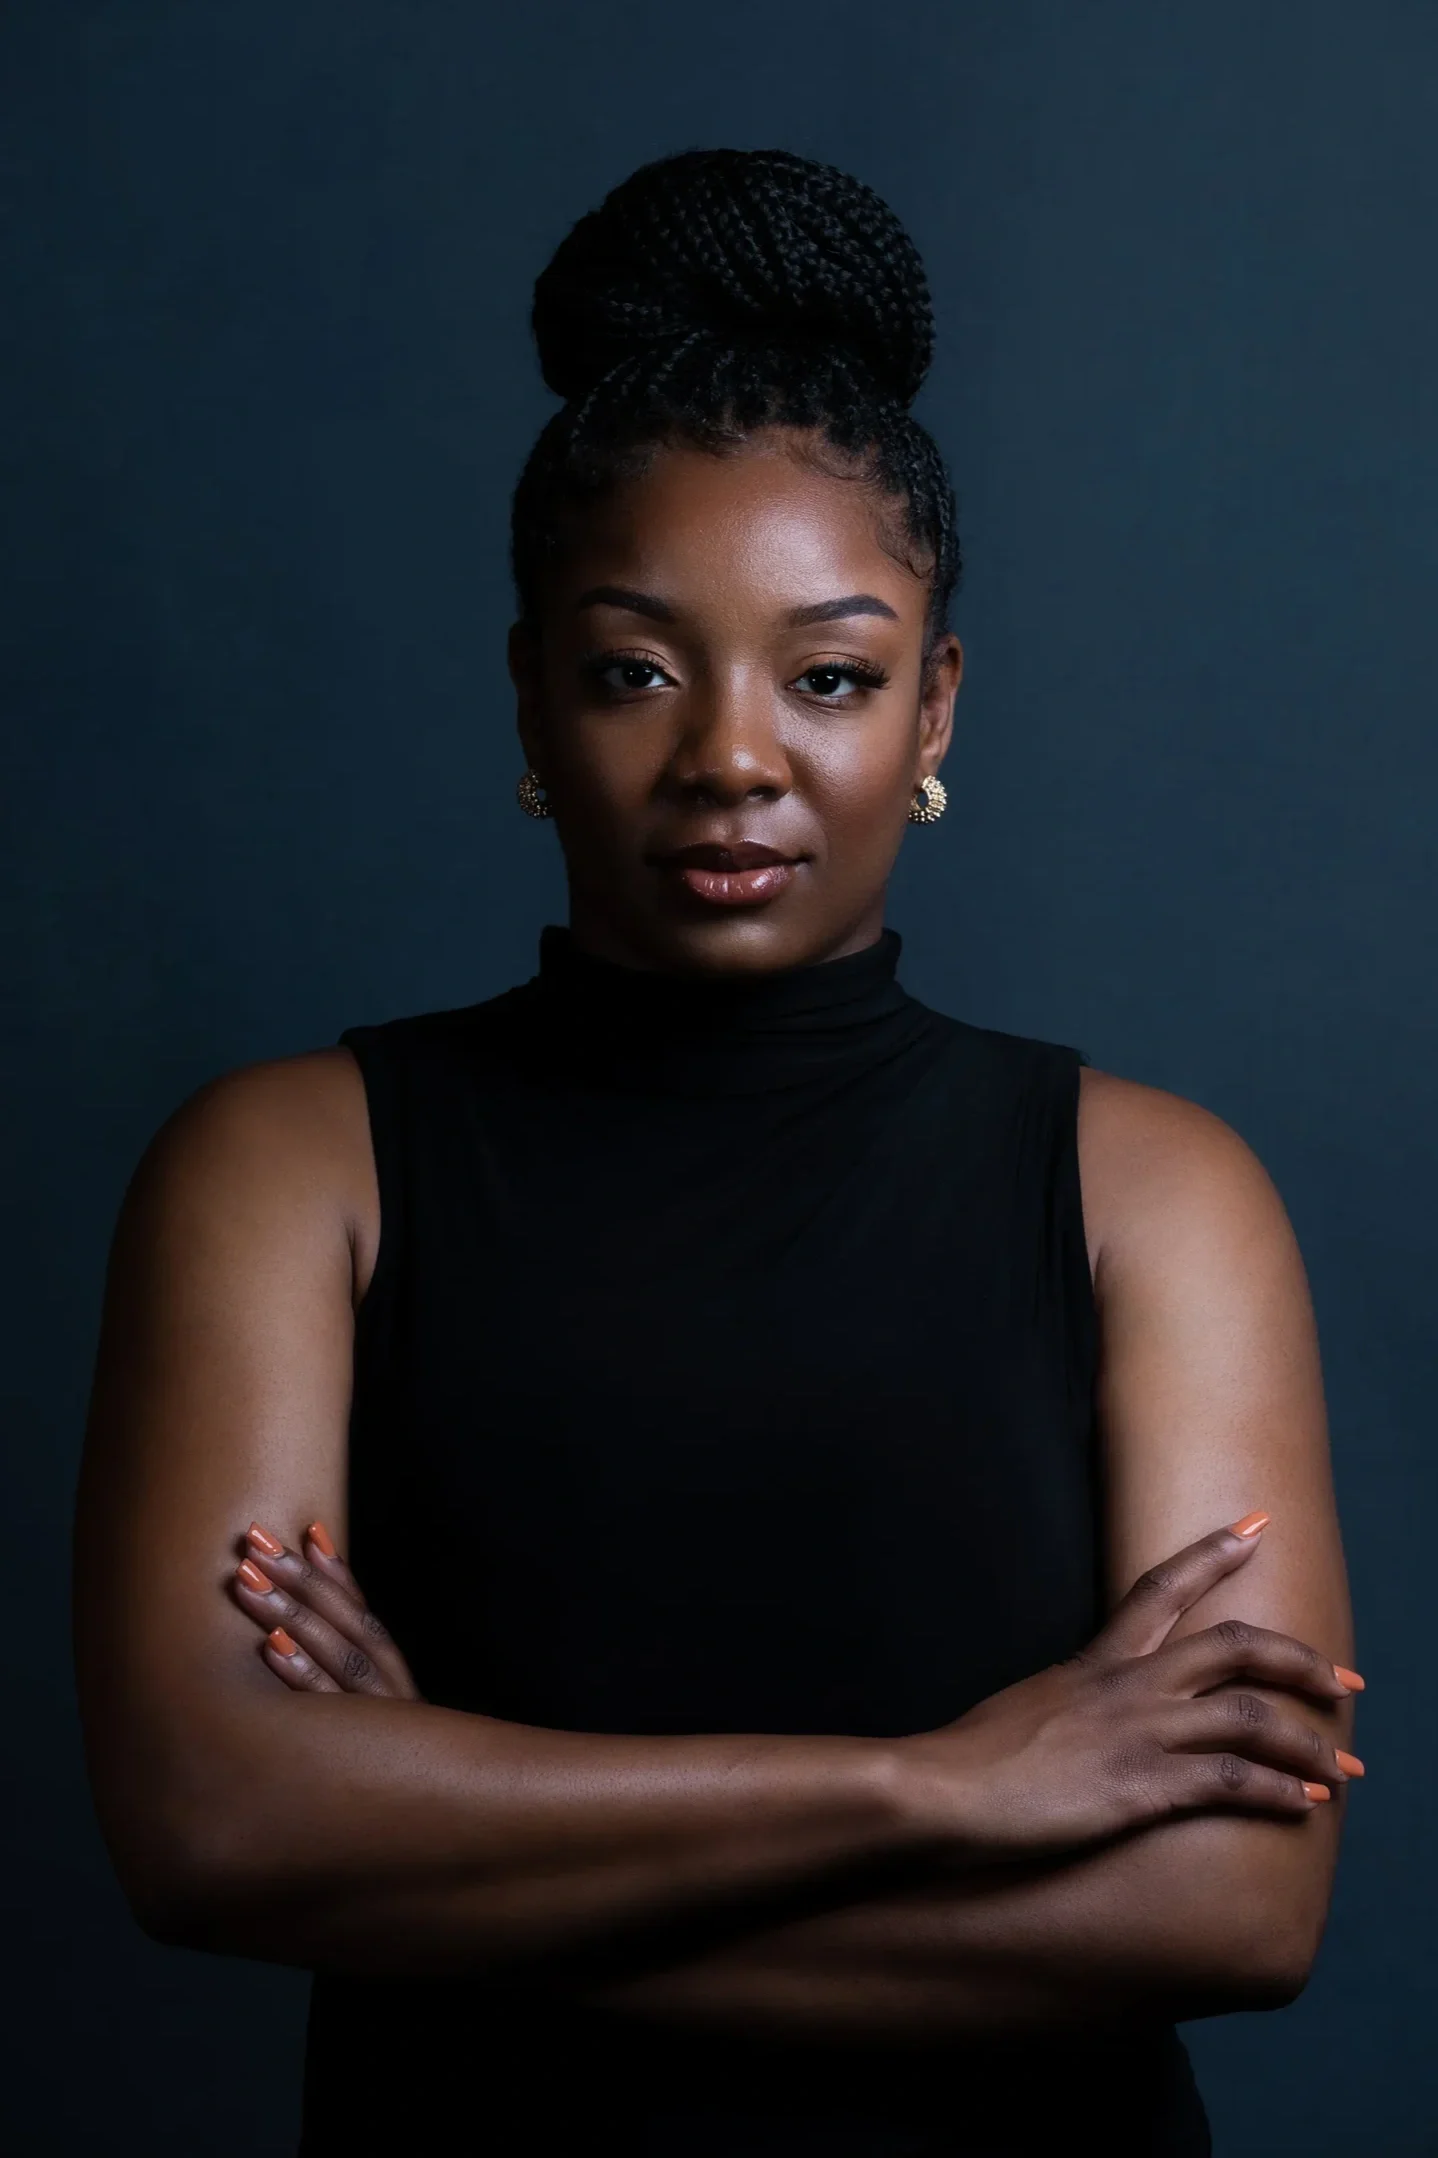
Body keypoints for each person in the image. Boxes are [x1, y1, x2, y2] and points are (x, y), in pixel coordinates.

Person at [73, 148, 1361, 2156]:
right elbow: (208, 1821)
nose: (732, 755)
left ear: (934, 704)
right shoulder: (288, 1167)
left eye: (829, 673)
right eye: (632, 669)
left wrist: (433, 1839)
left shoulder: (1151, 1195)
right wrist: (937, 1784)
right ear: (528, 697)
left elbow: (1230, 1897)